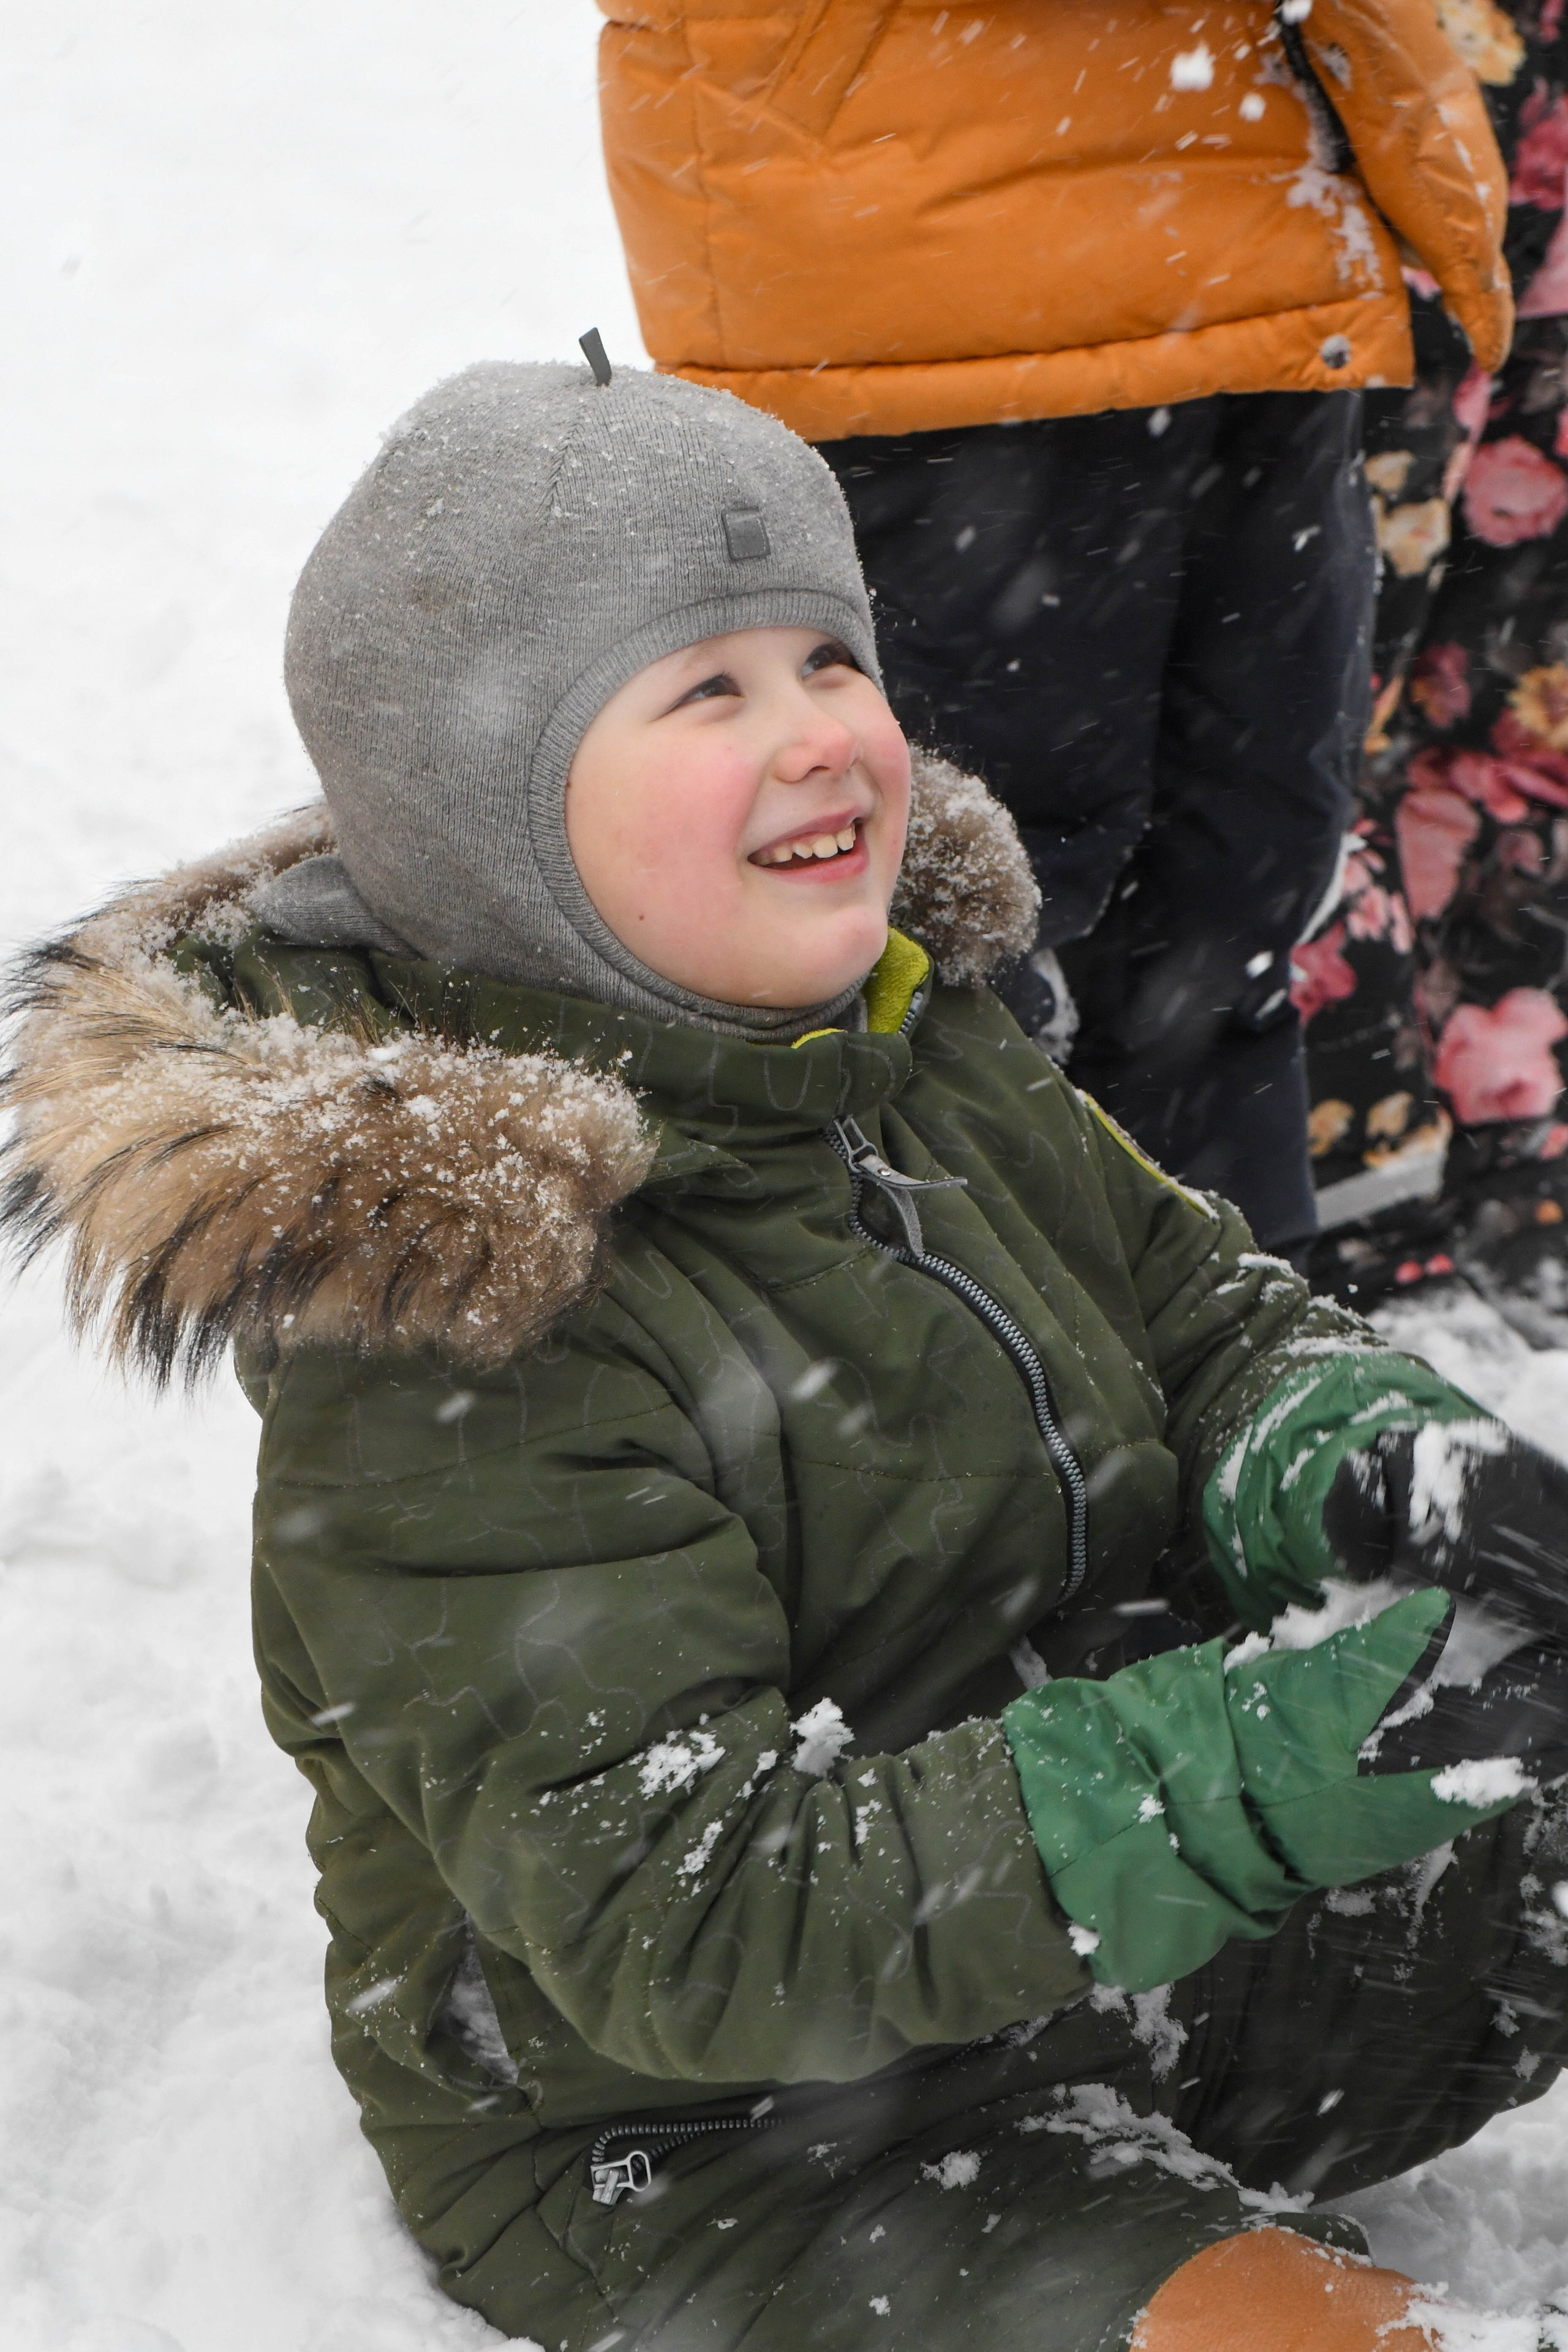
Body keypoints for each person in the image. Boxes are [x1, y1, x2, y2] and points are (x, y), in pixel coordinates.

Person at [9, 358, 1568, 2351]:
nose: (822, 734)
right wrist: (1262, 1773)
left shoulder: (909, 1042)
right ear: (493, 820)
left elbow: (1187, 1301)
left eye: (830, 657)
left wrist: (1347, 1454)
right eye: (706, 692)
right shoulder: (457, 1338)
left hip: (1116, 1946)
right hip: (738, 2135)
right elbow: (692, 1916)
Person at [594, 0, 1514, 1268]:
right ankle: (975, 1395)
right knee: (951, 934)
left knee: (1235, 899)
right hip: (925, 270)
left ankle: (1241, 1369)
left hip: (1248, 241)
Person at [1300, 0, 1568, 1322]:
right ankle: (1346, 1173)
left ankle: (1508, 1139)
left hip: (1514, 119)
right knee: (1318, 698)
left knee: (1525, 702)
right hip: (1390, 104)